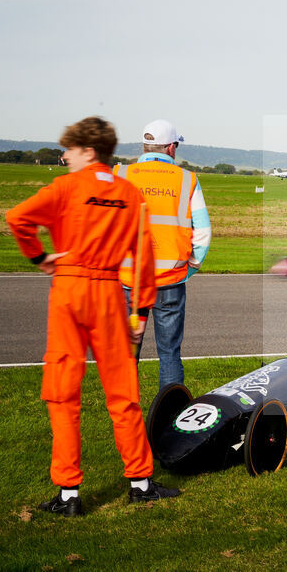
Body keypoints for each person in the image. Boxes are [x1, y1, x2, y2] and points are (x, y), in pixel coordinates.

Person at [6, 116, 180, 517]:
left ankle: (69, 494)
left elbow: (18, 219)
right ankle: (140, 483)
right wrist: (137, 318)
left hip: (69, 292)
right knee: (123, 394)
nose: (64, 156)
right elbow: (142, 261)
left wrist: (40, 257)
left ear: (87, 150)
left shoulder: (66, 186)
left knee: (63, 394)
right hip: (108, 294)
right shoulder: (129, 193)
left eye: (68, 149)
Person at [113, 119, 211, 390]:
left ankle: (125, 413)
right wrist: (189, 267)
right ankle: (169, 417)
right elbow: (202, 233)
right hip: (170, 281)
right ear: (170, 147)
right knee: (169, 353)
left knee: (127, 352)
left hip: (129, 280)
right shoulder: (187, 179)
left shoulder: (120, 174)